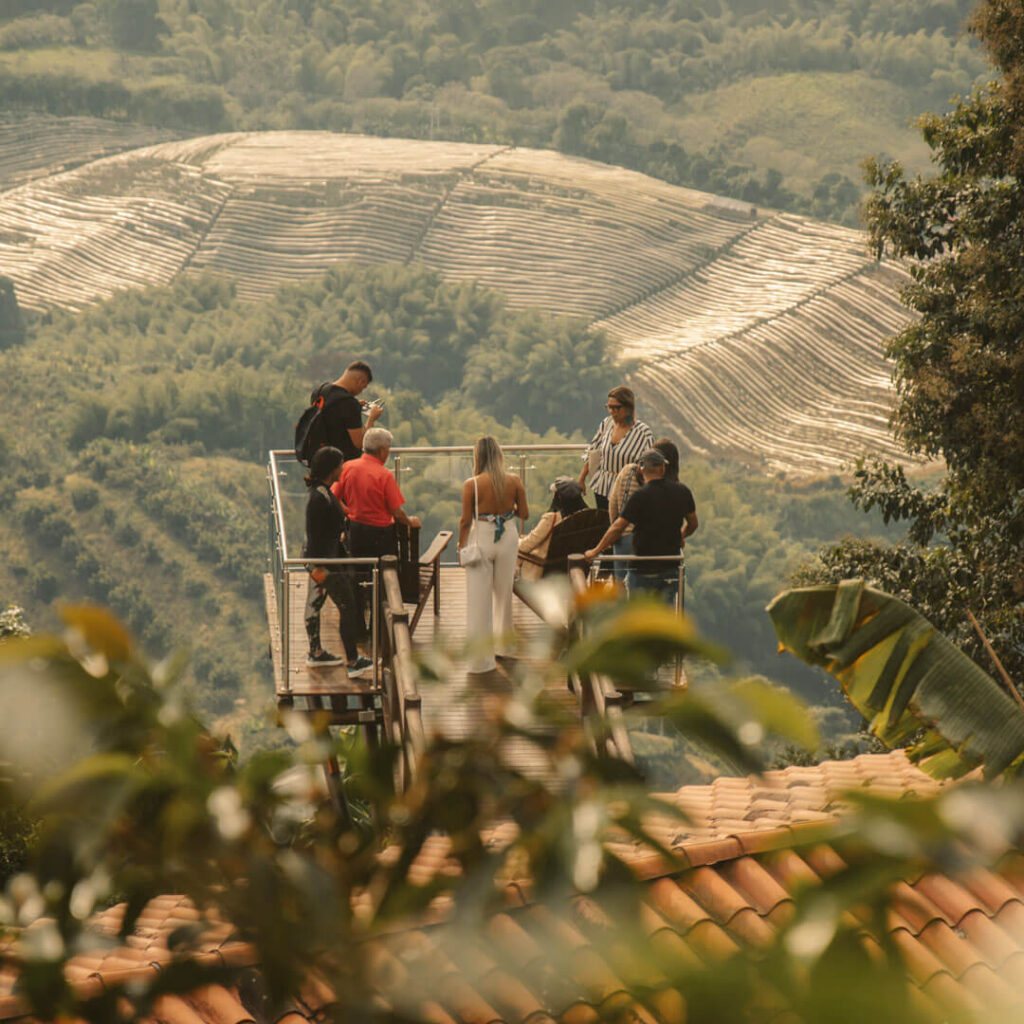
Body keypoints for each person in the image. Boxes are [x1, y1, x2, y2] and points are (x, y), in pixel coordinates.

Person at [585, 448, 698, 607]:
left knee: (638, 613)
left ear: (640, 469)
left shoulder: (640, 496)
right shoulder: (682, 491)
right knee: (666, 613)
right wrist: (681, 535)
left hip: (642, 568)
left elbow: (618, 527)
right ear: (662, 468)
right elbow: (693, 523)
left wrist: (595, 551)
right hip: (670, 565)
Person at [458, 437, 529, 673]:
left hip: (482, 537)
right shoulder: (514, 480)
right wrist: (507, 512)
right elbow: (525, 514)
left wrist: (461, 547)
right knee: (504, 593)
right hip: (508, 536)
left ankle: (481, 661)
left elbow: (466, 521)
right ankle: (504, 647)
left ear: (477, 457)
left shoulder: (472, 484)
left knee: (479, 600)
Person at [302, 446, 373, 674]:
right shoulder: (320, 498)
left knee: (314, 605)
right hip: (324, 563)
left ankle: (316, 653)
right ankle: (353, 661)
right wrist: (322, 566)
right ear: (331, 469)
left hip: (319, 562)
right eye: (340, 464)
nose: (343, 468)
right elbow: (316, 537)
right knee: (348, 606)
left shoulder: (321, 492)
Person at [334, 427, 421, 562]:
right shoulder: (384, 475)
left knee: (358, 571)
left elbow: (333, 497)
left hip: (355, 531)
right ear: (381, 451)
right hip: (381, 536)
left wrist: (348, 511)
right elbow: (396, 512)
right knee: (385, 571)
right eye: (388, 449)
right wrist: (410, 522)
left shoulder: (347, 467)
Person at [607, 437, 680, 580]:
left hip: (623, 537)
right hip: (655, 544)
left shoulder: (628, 471)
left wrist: (616, 531)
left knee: (621, 581)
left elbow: (613, 506)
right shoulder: (673, 487)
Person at [578, 386, 653, 513]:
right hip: (602, 486)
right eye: (609, 407)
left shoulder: (643, 433)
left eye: (616, 408)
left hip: (627, 490)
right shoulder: (606, 424)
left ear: (628, 408)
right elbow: (593, 452)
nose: (612, 411)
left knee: (623, 528)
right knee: (605, 525)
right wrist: (581, 479)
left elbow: (649, 466)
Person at [311, 359, 382, 463]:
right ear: (360, 381)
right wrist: (372, 418)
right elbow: (360, 442)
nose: (361, 391)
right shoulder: (348, 403)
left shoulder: (320, 391)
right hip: (341, 465)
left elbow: (331, 417)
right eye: (363, 387)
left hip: (319, 460)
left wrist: (354, 406)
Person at [517, 476, 587, 581]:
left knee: (514, 546)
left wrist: (518, 541)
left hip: (544, 569)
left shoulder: (552, 518)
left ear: (558, 497)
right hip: (568, 569)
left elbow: (525, 546)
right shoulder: (584, 519)